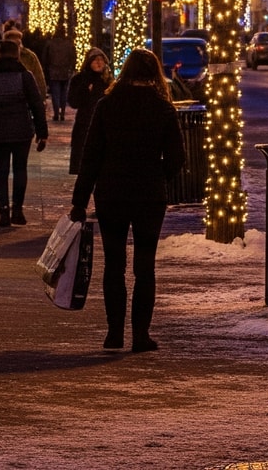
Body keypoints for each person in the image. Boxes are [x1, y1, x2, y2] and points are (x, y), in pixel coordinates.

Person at [71, 48, 186, 353]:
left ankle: (114, 333)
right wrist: (159, 174)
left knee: (114, 264)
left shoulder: (107, 105)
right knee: (145, 267)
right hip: (149, 194)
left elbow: (91, 156)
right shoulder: (163, 108)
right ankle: (140, 335)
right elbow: (177, 158)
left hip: (112, 192)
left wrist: (79, 200)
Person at [0, 39, 48, 227]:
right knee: (20, 169)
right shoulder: (25, 76)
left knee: (0, 172)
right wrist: (42, 132)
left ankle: (3, 212)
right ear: (17, 54)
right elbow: (36, 105)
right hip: (21, 130)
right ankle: (17, 210)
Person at [68, 47, 112, 176]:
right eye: (95, 60)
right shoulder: (80, 79)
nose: (99, 63)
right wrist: (85, 90)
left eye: (101, 60)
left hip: (104, 125)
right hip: (85, 123)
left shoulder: (108, 80)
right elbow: (73, 102)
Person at [43, 29, 78, 125]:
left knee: (55, 93)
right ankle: (62, 112)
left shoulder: (50, 44)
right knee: (64, 92)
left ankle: (56, 113)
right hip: (65, 71)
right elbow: (73, 57)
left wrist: (46, 69)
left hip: (53, 71)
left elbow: (45, 58)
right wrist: (72, 67)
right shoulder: (69, 44)